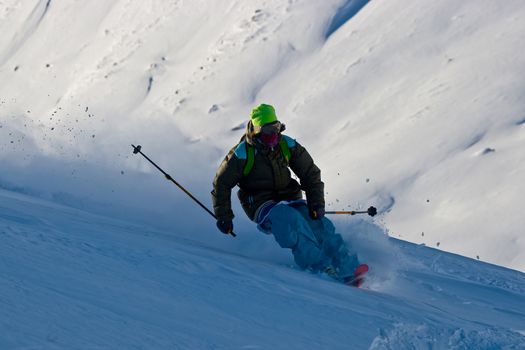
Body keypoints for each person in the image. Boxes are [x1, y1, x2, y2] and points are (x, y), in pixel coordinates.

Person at [211, 104, 368, 286]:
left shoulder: (286, 144)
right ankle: (320, 267)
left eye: (276, 128)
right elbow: (221, 183)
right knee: (290, 220)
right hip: (261, 204)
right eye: (267, 129)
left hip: (289, 197)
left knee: (318, 223)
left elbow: (310, 173)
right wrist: (223, 216)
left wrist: (316, 204)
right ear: (255, 131)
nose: (273, 134)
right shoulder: (242, 153)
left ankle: (348, 266)